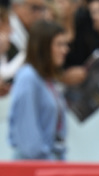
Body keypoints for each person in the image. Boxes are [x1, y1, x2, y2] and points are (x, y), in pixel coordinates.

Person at [8, 17, 69, 158]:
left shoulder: (48, 79)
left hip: (50, 161)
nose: (65, 50)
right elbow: (28, 136)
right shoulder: (28, 78)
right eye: (59, 45)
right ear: (44, 47)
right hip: (34, 167)